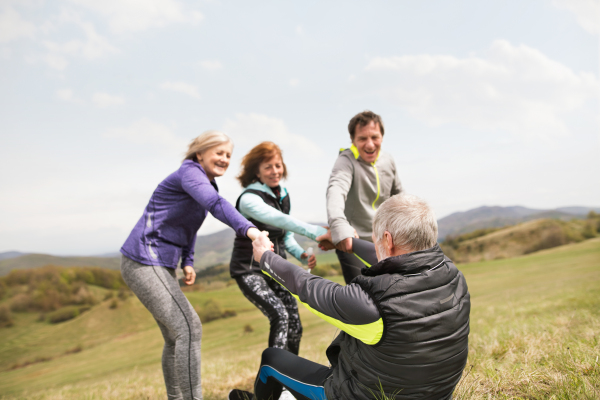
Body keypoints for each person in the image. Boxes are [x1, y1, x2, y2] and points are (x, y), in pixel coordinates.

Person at [229, 194, 470, 400]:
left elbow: (306, 286)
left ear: (387, 239)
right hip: (437, 393)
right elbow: (397, 260)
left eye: (376, 239)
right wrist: (347, 243)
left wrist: (266, 258)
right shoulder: (451, 274)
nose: (374, 246)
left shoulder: (373, 305)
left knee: (271, 359)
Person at [120, 131, 260, 400]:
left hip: (160, 262)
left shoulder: (204, 182)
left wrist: (188, 261)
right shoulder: (190, 173)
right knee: (188, 328)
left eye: (228, 155)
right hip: (144, 259)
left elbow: (190, 225)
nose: (224, 159)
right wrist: (249, 230)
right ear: (200, 153)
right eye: (218, 153)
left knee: (175, 336)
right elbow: (215, 204)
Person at [230, 141, 327, 357]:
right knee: (280, 316)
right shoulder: (248, 199)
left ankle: (291, 378)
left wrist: (301, 256)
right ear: (256, 171)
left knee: (294, 322)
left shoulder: (282, 195)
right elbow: (277, 218)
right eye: (268, 167)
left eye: (278, 165)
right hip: (249, 270)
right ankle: (273, 384)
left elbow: (286, 235)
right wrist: (315, 231)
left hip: (274, 267)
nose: (275, 171)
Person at [325, 110, 402, 284]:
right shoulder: (346, 161)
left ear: (382, 136)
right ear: (353, 140)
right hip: (354, 241)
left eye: (374, 137)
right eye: (362, 139)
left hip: (385, 239)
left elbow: (399, 196)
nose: (369, 145)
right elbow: (336, 190)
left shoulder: (388, 160)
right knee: (362, 296)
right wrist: (339, 224)